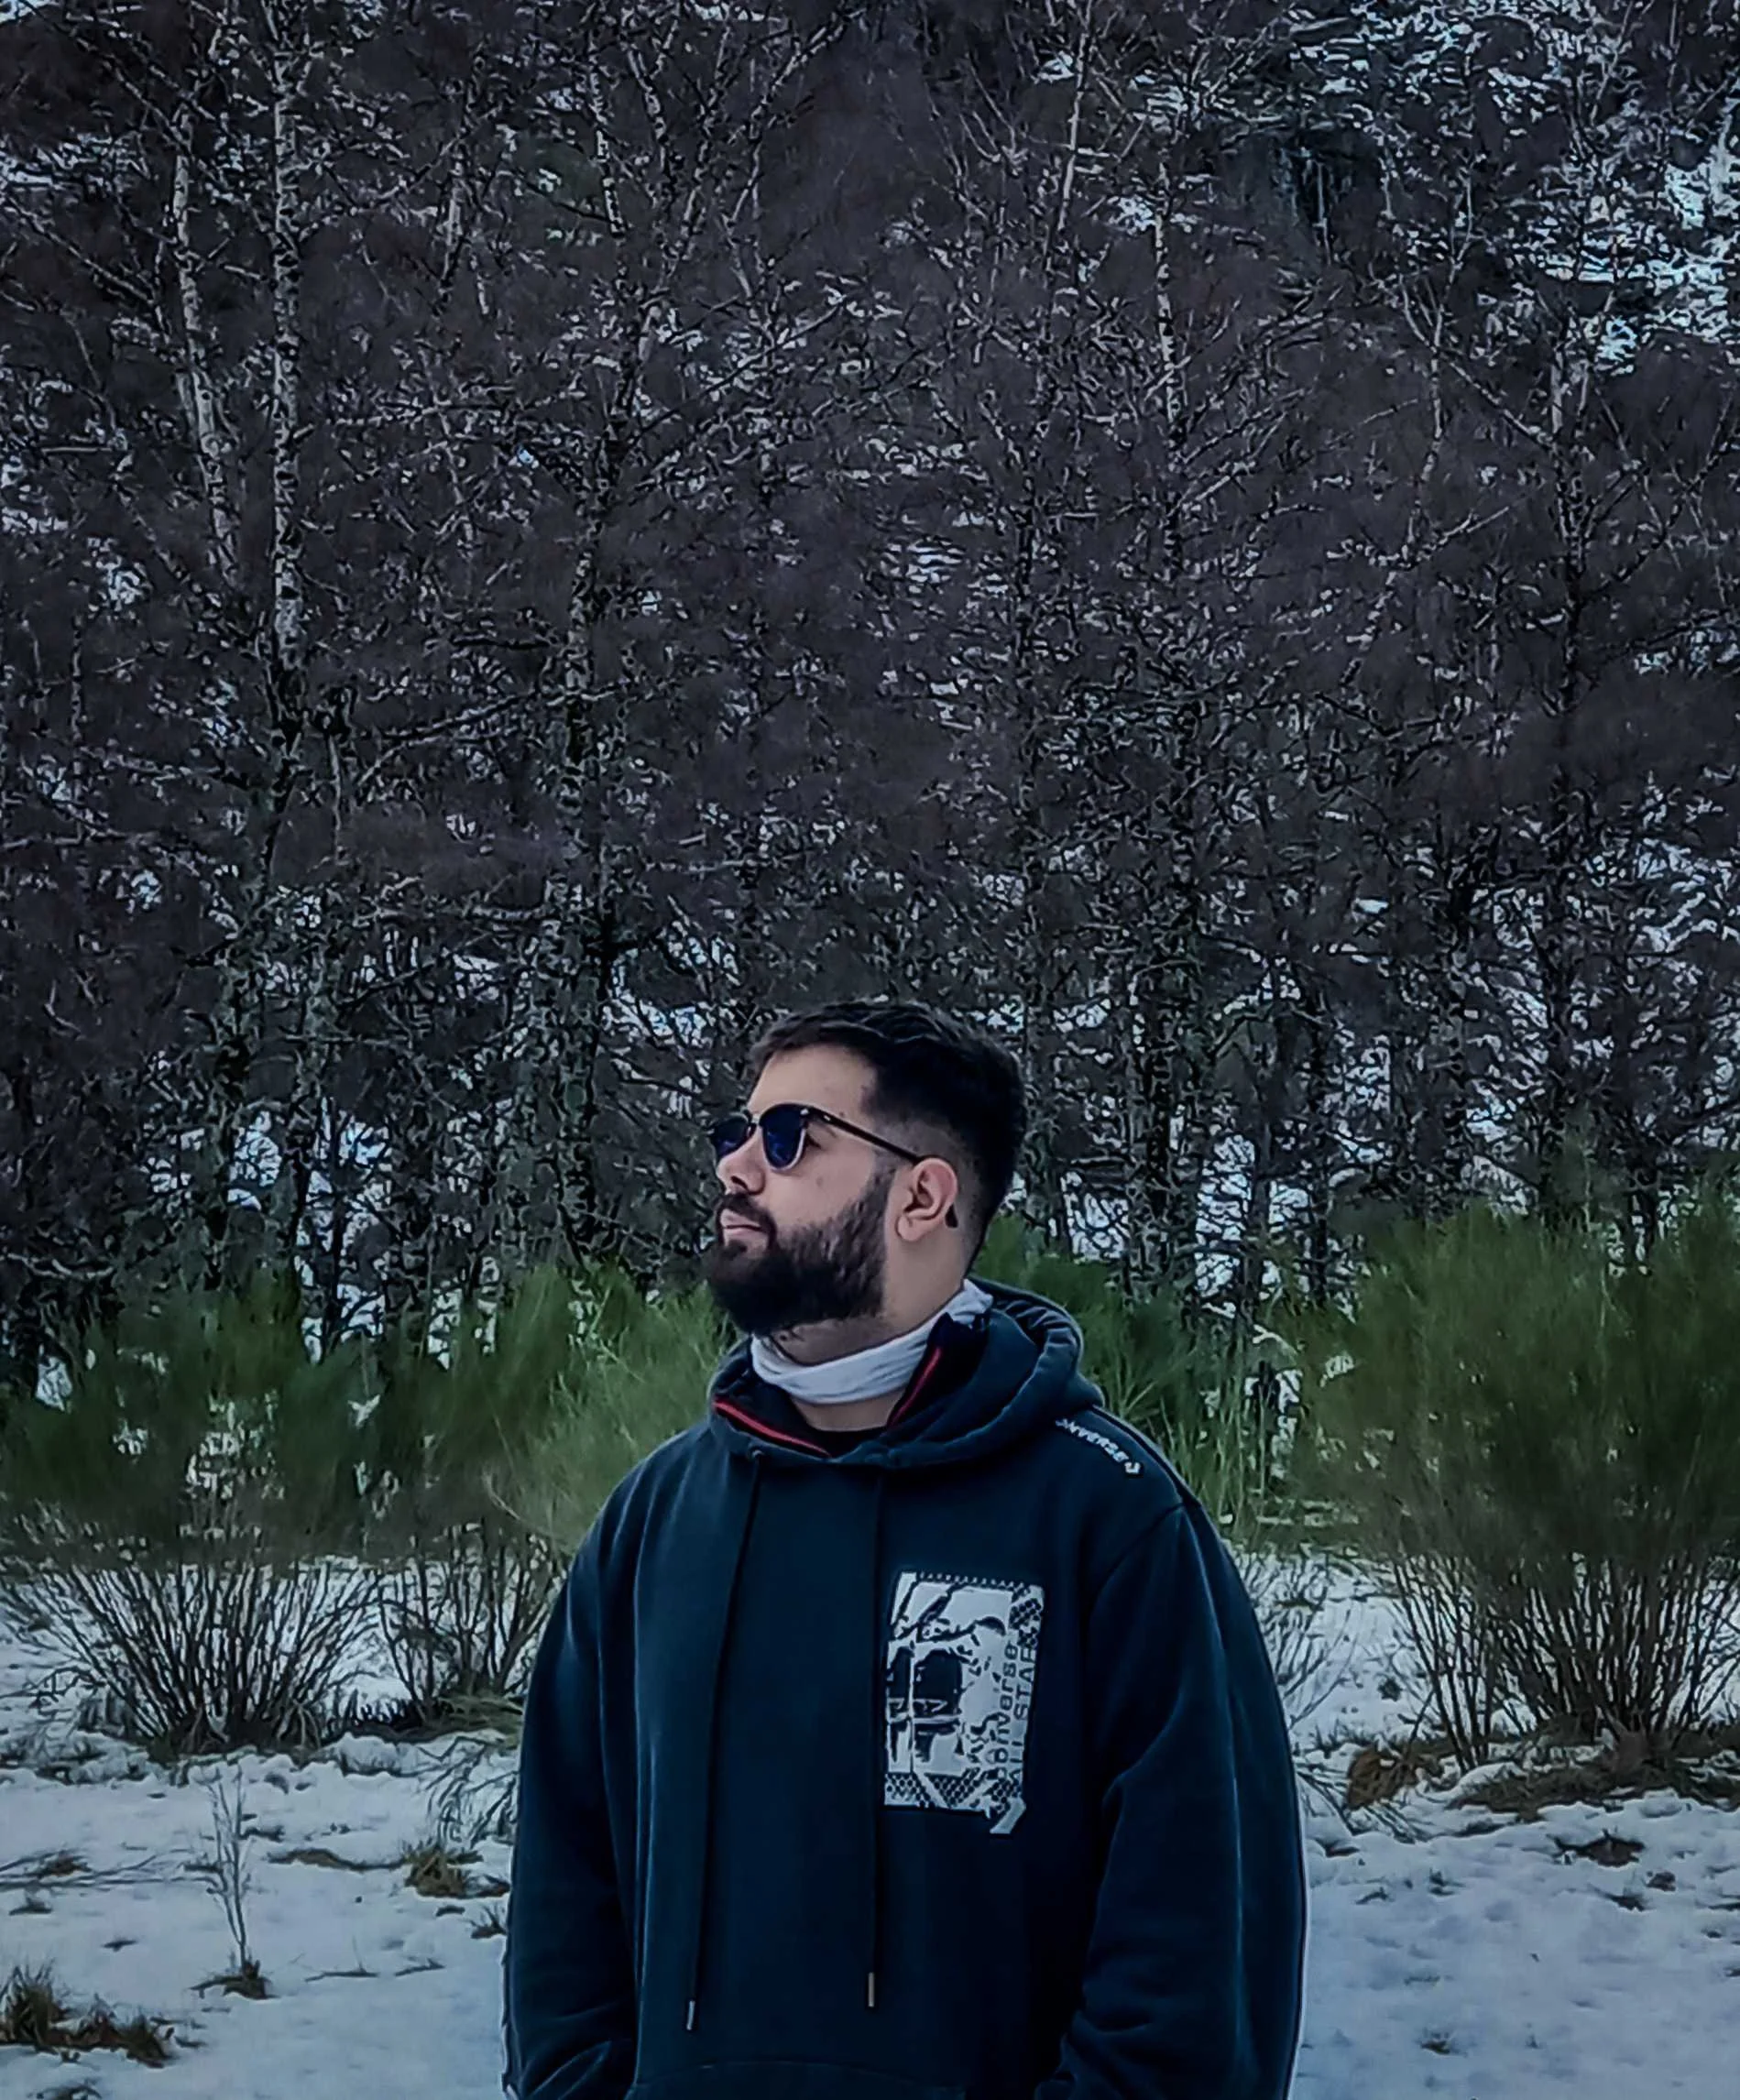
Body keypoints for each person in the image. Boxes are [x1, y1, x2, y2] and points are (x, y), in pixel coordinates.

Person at [504, 1000, 1306, 2100]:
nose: (737, 1165)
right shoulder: (656, 1519)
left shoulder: (1107, 1516)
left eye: (789, 1136)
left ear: (922, 1196)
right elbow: (564, 1895)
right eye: (736, 1133)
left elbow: (1195, 1944)